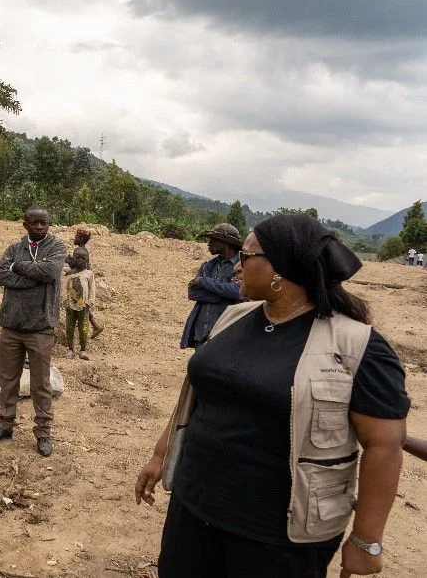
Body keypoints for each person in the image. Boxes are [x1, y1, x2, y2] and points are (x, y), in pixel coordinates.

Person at [135, 213, 409, 578]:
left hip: (277, 537)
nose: (237, 268)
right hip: (193, 508)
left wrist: (366, 540)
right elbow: (198, 395)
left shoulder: (357, 347)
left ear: (279, 268)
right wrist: (160, 455)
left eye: (245, 258)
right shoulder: (233, 317)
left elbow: (384, 446)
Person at [0, 207, 66, 457]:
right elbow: (0, 276)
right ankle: (4, 425)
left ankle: (43, 433)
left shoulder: (57, 248)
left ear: (49, 224)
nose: (39, 227)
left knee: (41, 384)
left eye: (43, 223)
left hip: (40, 328)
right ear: (25, 225)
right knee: (8, 380)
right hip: (11, 326)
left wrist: (17, 268)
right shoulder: (14, 249)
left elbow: (50, 272)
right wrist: (32, 276)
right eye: (34, 222)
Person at [180, 223, 243, 349]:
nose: (209, 244)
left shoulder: (242, 266)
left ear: (226, 242)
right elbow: (193, 292)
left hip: (225, 332)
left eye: (213, 240)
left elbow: (237, 292)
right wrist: (224, 295)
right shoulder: (208, 265)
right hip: (201, 331)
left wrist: (204, 282)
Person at [67, 228, 103, 338]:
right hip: (83, 280)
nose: (74, 238)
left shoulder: (79, 251)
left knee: (81, 305)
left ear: (81, 239)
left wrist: (69, 261)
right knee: (81, 303)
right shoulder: (84, 251)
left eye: (76, 237)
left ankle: (94, 326)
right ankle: (94, 325)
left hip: (80, 281)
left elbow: (77, 266)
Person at [63, 247, 96, 360]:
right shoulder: (69, 274)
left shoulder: (89, 274)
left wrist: (89, 303)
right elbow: (65, 289)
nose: (80, 260)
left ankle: (83, 350)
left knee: (84, 328)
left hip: (84, 306)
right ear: (73, 258)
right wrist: (65, 302)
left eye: (83, 258)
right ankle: (70, 349)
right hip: (71, 306)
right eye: (77, 257)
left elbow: (92, 289)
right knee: (69, 328)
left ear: (87, 259)